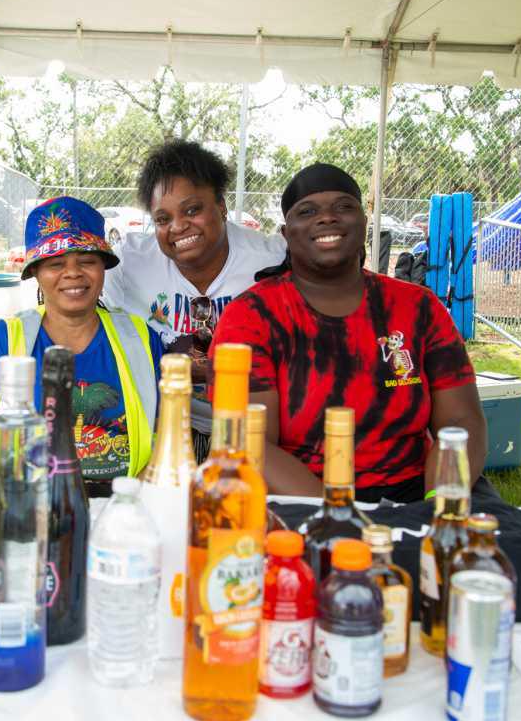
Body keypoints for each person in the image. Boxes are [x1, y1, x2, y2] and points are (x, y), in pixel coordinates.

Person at [209, 163, 489, 503]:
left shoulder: (419, 307)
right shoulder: (251, 317)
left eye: (343, 206)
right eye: (308, 211)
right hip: (301, 499)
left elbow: (461, 419)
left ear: (364, 223)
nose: (327, 217)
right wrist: (344, 516)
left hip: (422, 491)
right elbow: (249, 443)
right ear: (286, 233)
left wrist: (440, 500)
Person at [0, 197, 163, 491]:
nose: (73, 273)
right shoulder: (0, 341)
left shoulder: (141, 338)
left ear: (103, 268)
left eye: (87, 261)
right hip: (26, 502)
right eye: (56, 264)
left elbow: (167, 430)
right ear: (35, 273)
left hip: (125, 502)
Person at [102, 140, 286, 458]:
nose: (178, 226)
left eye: (192, 210)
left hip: (254, 433)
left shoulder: (272, 259)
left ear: (222, 205)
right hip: (169, 427)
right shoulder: (127, 263)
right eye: (162, 219)